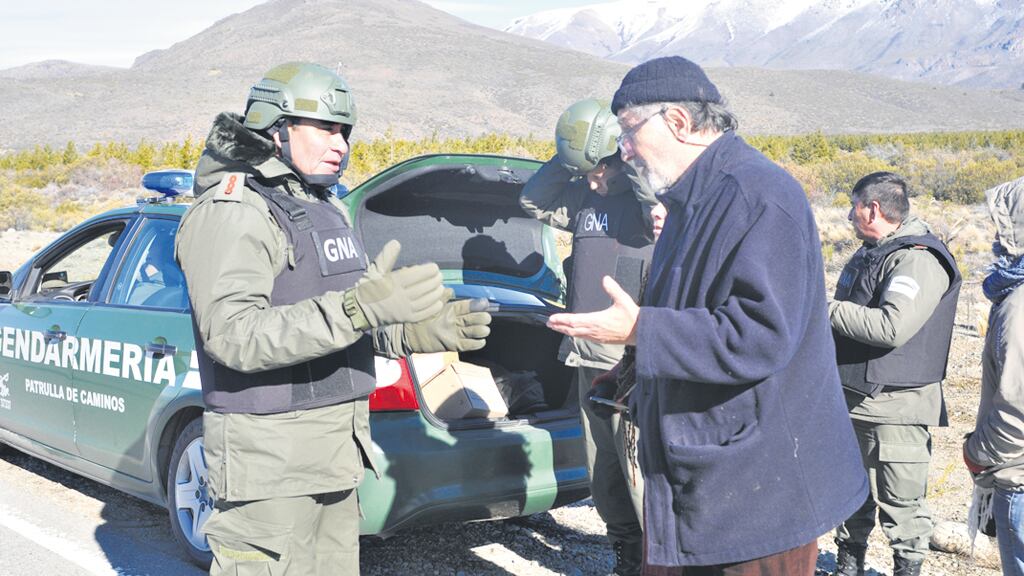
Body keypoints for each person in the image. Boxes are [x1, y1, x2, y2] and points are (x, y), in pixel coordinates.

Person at [546, 55, 868, 575]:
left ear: (677, 121)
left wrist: (640, 331)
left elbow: (760, 334)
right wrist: (629, 370)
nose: (622, 149)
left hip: (759, 494)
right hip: (707, 479)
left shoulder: (759, 195)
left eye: (629, 131)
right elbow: (688, 307)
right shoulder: (689, 201)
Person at [175, 62, 491, 576]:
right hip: (269, 468)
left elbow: (347, 319)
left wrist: (413, 331)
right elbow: (233, 336)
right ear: (275, 128)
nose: (340, 143)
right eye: (324, 127)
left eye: (345, 130)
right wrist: (359, 308)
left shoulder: (325, 209)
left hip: (334, 456)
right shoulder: (236, 210)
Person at [519, 98, 656, 576]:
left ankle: (659, 561)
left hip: (628, 358)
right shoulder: (581, 198)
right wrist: (566, 160)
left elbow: (659, 204)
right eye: (585, 172)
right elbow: (532, 201)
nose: (593, 180)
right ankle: (625, 554)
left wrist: (628, 158)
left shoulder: (643, 207)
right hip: (585, 355)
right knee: (605, 474)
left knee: (641, 475)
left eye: (598, 170)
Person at [830, 172, 961, 576]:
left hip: (894, 409)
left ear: (872, 208)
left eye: (854, 206)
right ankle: (847, 566)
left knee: (901, 509)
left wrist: (822, 310)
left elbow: (892, 327)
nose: (850, 217)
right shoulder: (873, 251)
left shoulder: (917, 258)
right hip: (854, 400)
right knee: (849, 498)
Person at [964, 176, 1024, 576]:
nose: (995, 239)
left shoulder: (1018, 307)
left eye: (1002, 228)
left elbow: (1016, 411)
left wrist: (976, 454)